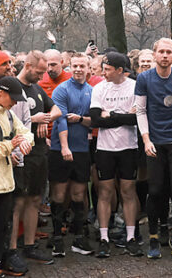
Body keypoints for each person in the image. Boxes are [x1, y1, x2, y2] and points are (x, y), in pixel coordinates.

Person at [135, 37, 172, 259]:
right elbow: (140, 111)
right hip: (154, 143)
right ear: (154, 54)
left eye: (168, 52)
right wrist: (146, 139)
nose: (164, 56)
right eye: (160, 52)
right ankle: (153, 237)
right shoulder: (144, 78)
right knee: (156, 190)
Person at [88, 52, 143, 258]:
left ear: (120, 70)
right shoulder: (99, 87)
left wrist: (110, 114)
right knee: (105, 191)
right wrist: (123, 116)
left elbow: (136, 119)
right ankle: (104, 238)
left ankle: (131, 237)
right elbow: (95, 120)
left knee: (128, 190)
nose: (104, 72)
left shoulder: (135, 86)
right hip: (105, 148)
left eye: (108, 69)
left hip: (128, 147)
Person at [0, 76, 34, 277]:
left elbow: (24, 132)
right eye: (12, 98)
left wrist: (25, 142)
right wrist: (9, 146)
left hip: (6, 182)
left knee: (2, 229)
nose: (14, 102)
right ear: (0, 93)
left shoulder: (9, 114)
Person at [10, 50, 58, 267]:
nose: (42, 76)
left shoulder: (37, 89)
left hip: (39, 153)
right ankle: (11, 249)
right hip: (19, 154)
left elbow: (56, 107)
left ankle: (29, 246)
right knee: (18, 201)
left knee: (35, 200)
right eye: (39, 72)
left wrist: (45, 119)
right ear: (27, 66)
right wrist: (32, 119)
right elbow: (6, 119)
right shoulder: (12, 87)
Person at [49, 55, 95, 257]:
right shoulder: (62, 89)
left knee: (78, 194)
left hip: (82, 150)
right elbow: (61, 119)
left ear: (88, 69)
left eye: (81, 66)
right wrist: (65, 147)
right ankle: (57, 238)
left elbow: (93, 121)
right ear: (70, 66)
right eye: (74, 65)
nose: (77, 69)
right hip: (61, 149)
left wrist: (82, 119)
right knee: (59, 194)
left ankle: (78, 239)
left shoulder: (92, 91)